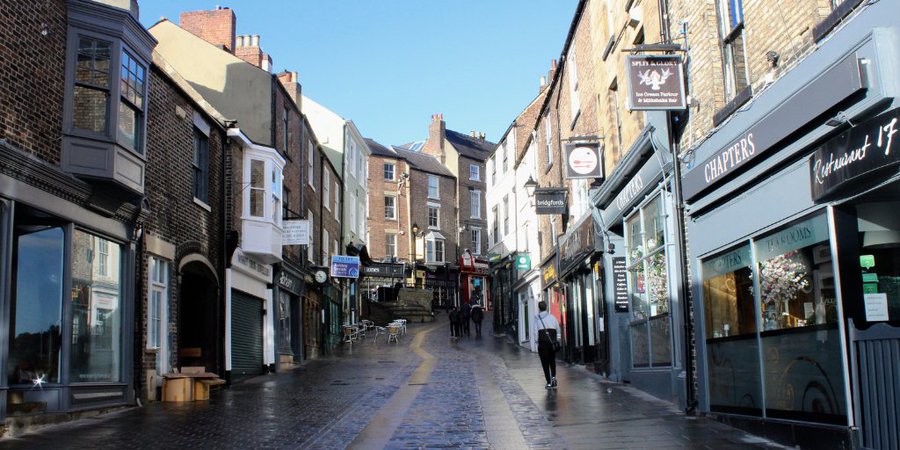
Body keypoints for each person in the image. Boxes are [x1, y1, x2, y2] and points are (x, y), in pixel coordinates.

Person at [532, 300, 561, 389]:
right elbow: (558, 329)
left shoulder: (537, 319)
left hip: (543, 343)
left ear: (539, 308)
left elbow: (535, 332)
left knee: (545, 362)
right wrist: (557, 340)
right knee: (552, 361)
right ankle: (553, 378)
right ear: (546, 307)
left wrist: (537, 342)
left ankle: (548, 382)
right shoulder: (553, 318)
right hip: (552, 343)